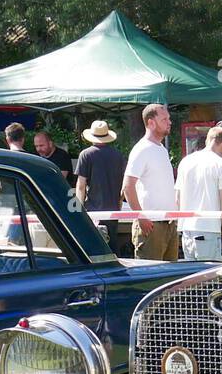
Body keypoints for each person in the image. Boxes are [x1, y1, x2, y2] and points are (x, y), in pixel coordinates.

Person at [123, 103, 178, 262]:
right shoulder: (142, 149)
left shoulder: (161, 149)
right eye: (164, 119)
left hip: (168, 223)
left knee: (170, 280)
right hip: (152, 225)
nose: (169, 122)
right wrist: (141, 217)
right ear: (151, 122)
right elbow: (128, 186)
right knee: (151, 278)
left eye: (169, 118)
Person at [175, 124, 222, 259]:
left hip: (187, 230)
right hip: (209, 229)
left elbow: (177, 198)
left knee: (193, 278)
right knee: (209, 277)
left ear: (208, 140)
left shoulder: (186, 161)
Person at [76, 119, 128, 257]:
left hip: (93, 210)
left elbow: (81, 186)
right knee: (112, 246)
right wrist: (119, 203)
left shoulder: (86, 155)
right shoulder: (118, 155)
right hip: (113, 210)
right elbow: (124, 184)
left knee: (94, 249)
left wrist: (79, 209)